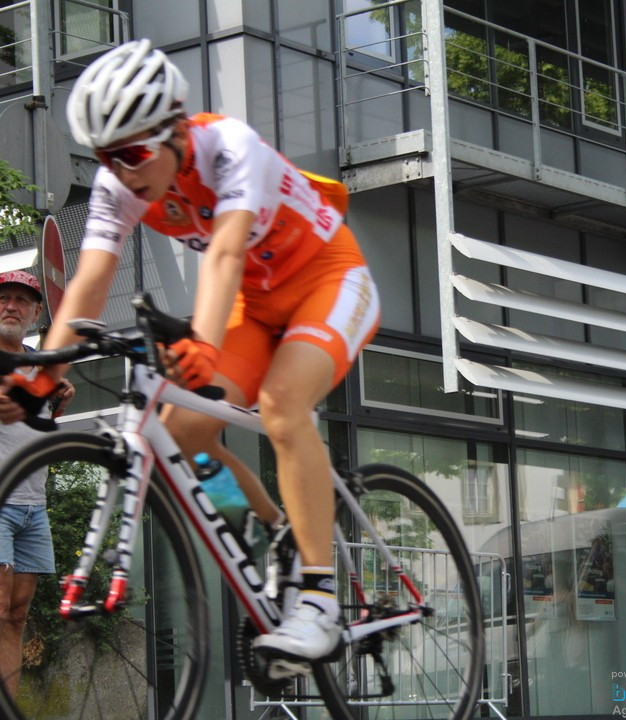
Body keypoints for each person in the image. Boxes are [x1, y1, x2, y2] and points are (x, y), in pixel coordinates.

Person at [2, 39, 380, 669]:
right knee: (182, 433)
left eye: (130, 152)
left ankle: (319, 600)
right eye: (104, 157)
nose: (120, 172)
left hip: (327, 278)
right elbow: (90, 283)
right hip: (255, 306)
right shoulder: (119, 184)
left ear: (174, 129)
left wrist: (202, 343)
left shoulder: (231, 147)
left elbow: (226, 254)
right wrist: (41, 375)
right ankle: (276, 529)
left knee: (283, 405)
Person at [0, 271, 74, 698]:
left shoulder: (43, 368)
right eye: (3, 298)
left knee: (16, 615)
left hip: (34, 505)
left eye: (21, 301)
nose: (11, 306)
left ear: (36, 312)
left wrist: (59, 399)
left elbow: (35, 429)